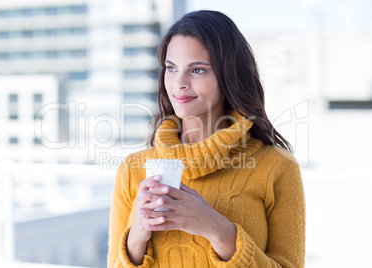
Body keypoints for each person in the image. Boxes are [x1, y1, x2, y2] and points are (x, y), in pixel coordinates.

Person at [108, 10, 305, 268]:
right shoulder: (132, 171)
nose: (179, 83)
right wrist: (136, 238)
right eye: (171, 68)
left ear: (228, 76)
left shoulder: (277, 167)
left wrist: (216, 229)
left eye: (197, 70)